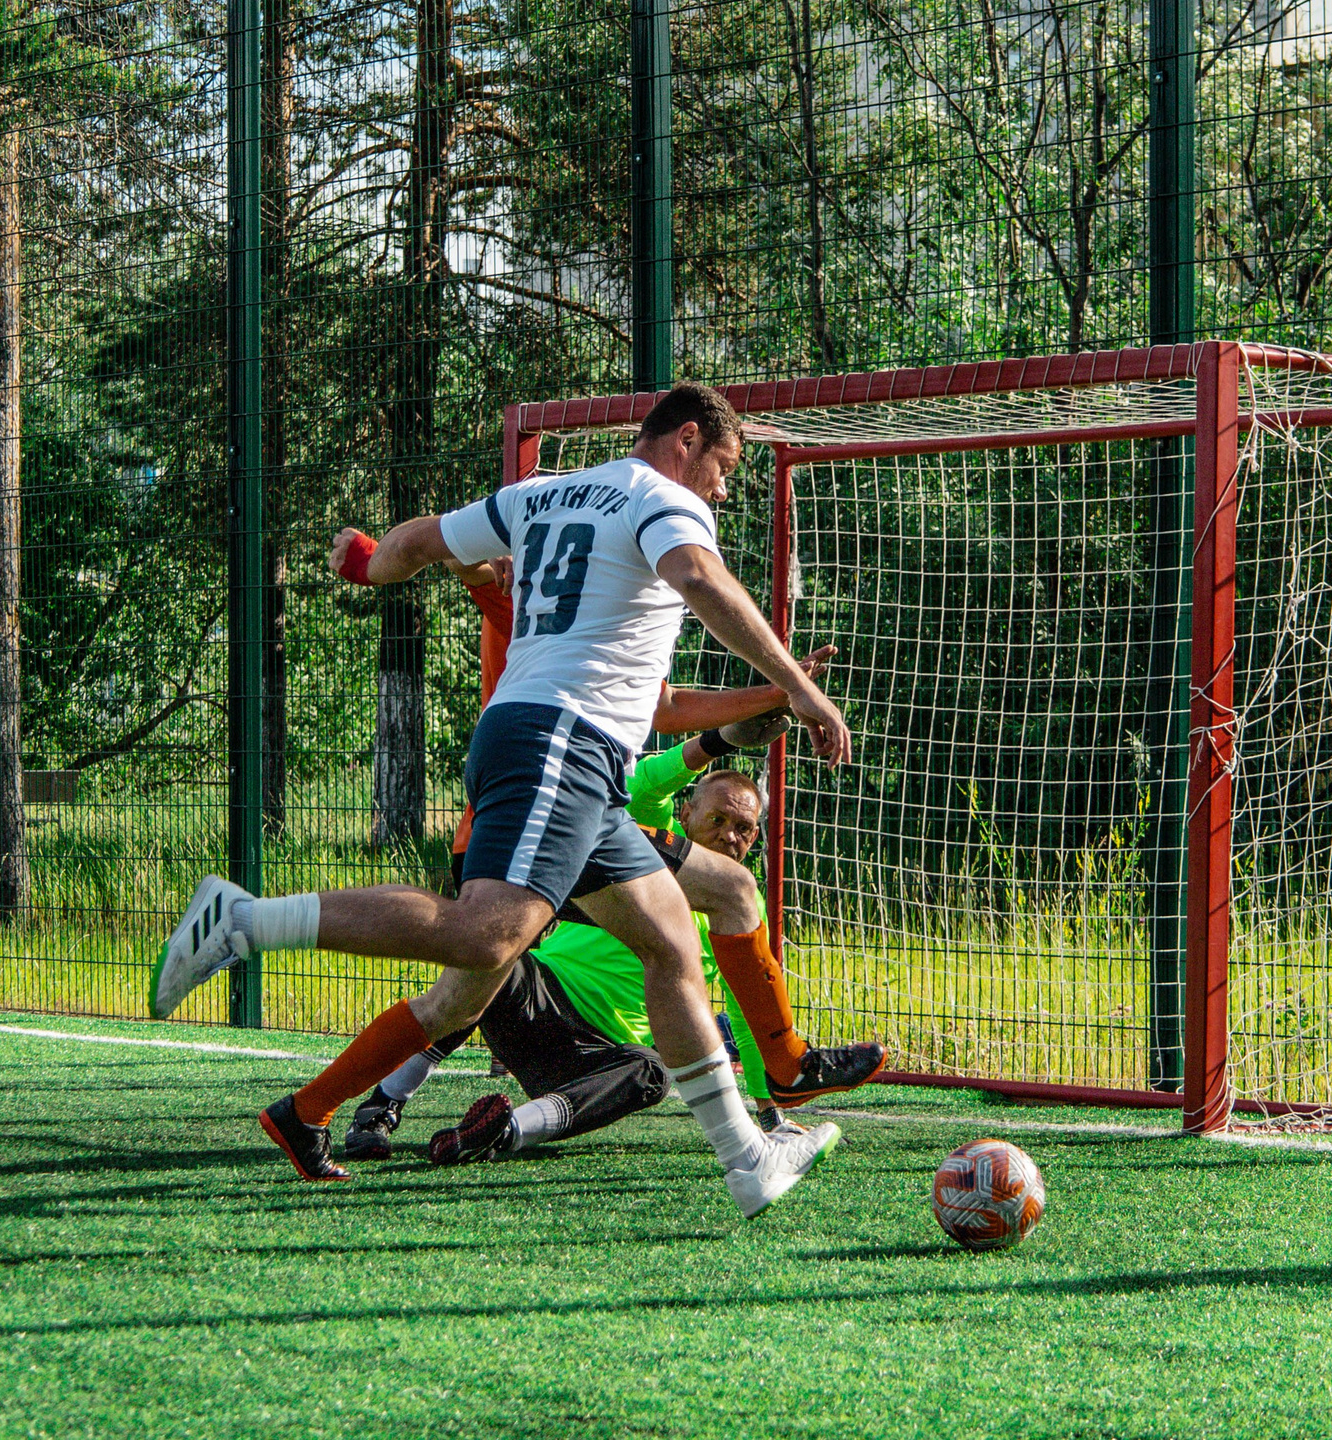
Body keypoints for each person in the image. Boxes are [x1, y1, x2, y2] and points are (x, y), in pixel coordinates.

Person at [153, 381, 853, 1218]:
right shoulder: (664, 498)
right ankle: (242, 922)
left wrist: (368, 567)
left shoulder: (541, 493)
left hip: (567, 752)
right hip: (558, 740)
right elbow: (699, 575)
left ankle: (748, 1160)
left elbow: (416, 539)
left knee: (671, 941)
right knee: (485, 937)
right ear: (688, 439)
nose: (724, 489)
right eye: (724, 468)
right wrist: (797, 688)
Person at [343, 709, 883, 1164]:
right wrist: (717, 740)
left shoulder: (737, 908)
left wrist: (768, 1112)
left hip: (595, 1058)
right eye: (718, 818)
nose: (730, 835)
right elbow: (644, 783)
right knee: (498, 956)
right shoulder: (648, 843)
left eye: (744, 829)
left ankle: (503, 1133)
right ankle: (381, 1106)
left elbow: (745, 1013)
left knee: (651, 1072)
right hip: (541, 995)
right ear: (688, 811)